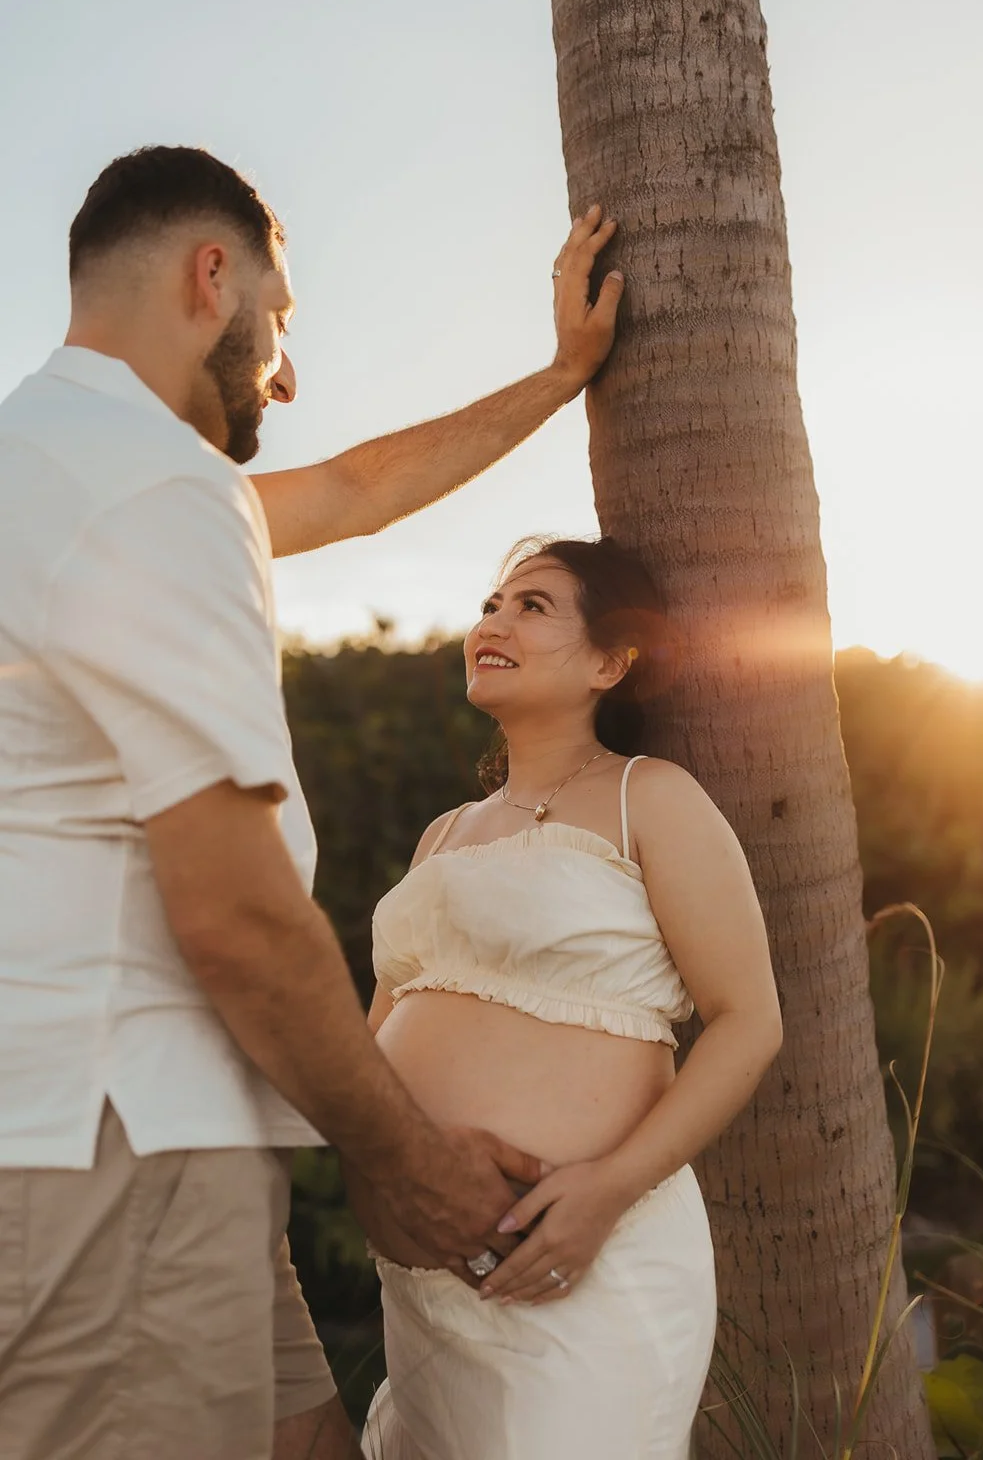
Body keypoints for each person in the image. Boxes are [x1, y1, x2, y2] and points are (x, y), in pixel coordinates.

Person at [0, 145, 622, 1460]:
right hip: (115, 1149)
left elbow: (352, 490)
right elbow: (235, 914)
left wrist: (562, 377)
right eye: (278, 323)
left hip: (119, 1130)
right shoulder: (154, 486)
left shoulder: (50, 466)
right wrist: (400, 1159)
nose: (284, 374)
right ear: (208, 276)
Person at [361, 536, 784, 1460]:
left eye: (532, 606)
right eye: (490, 604)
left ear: (609, 661)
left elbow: (749, 1023)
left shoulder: (652, 798)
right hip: (428, 1271)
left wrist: (607, 1191)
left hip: (588, 1254)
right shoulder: (444, 835)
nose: (492, 623)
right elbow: (377, 1037)